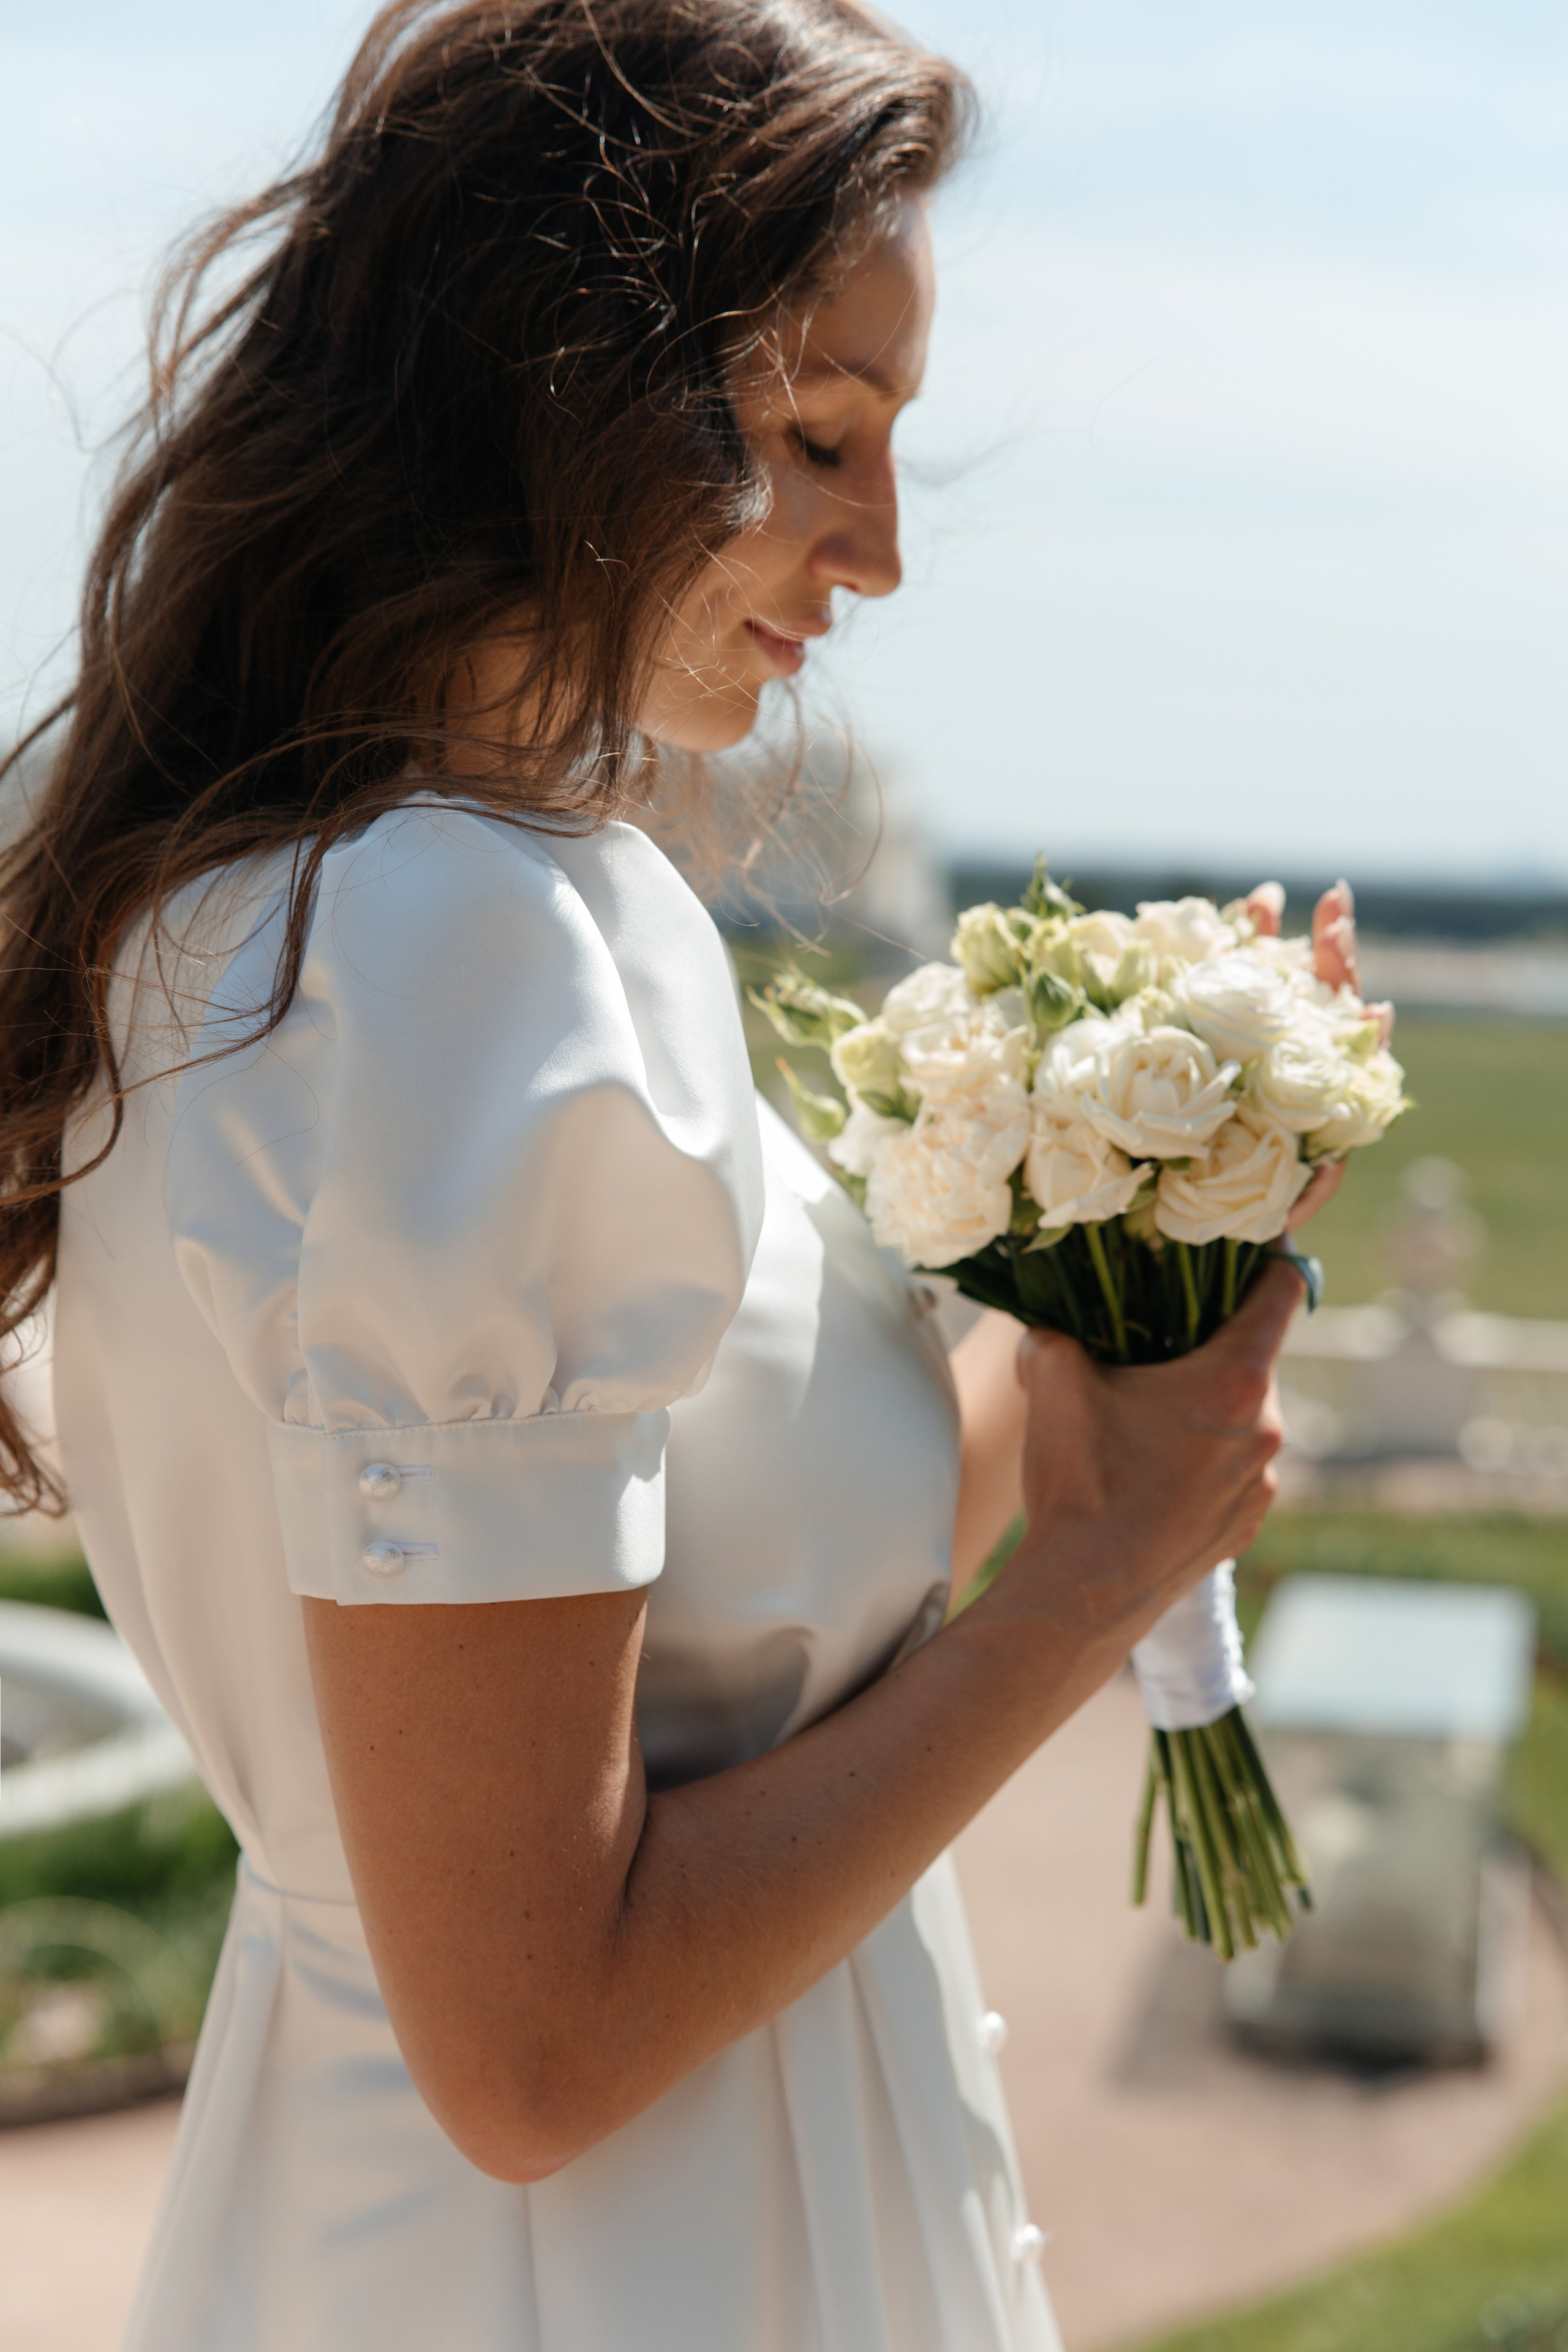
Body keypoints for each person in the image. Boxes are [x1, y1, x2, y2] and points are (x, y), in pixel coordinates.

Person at [0, 5, 1333, 2346]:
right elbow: (537, 2046)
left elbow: (733, 1628)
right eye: (822, 434)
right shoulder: (477, 953)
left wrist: (1151, 1240)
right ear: (565, 380)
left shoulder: (258, 905)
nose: (883, 549)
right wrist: (1097, 1587)